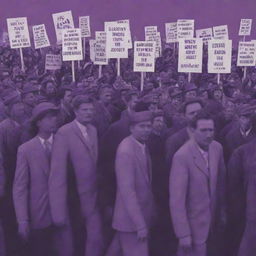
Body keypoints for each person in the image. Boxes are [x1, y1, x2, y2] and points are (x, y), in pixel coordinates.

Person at [49, 95, 104, 256]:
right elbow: (57, 174)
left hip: (93, 195)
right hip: (74, 198)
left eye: (91, 110)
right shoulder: (64, 133)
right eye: (84, 110)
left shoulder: (93, 130)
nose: (89, 113)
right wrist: (58, 211)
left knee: (94, 239)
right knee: (77, 240)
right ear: (75, 111)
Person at [169, 110, 226, 256]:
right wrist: (183, 234)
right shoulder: (182, 157)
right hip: (193, 229)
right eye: (203, 130)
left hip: (213, 227)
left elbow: (220, 185)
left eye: (211, 130)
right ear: (193, 130)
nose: (208, 135)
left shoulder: (217, 148)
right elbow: (177, 201)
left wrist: (222, 214)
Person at [13, 102, 59, 256]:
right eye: (49, 118)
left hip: (63, 212)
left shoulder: (63, 143)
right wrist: (22, 220)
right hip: (39, 213)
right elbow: (20, 188)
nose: (54, 120)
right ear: (38, 122)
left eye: (55, 117)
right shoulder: (26, 149)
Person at [108, 111, 157, 256]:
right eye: (142, 126)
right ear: (131, 128)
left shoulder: (141, 145)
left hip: (135, 217)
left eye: (149, 126)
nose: (146, 130)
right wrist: (140, 225)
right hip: (131, 221)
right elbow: (127, 191)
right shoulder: (126, 151)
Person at [0, 89, 27, 256]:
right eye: (17, 104)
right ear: (9, 108)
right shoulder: (4, 127)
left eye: (21, 103)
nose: (21, 108)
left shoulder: (20, 124)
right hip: (9, 175)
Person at [165, 98, 203, 169]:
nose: (196, 115)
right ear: (184, 116)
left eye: (199, 112)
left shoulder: (211, 135)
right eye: (192, 113)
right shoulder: (175, 141)